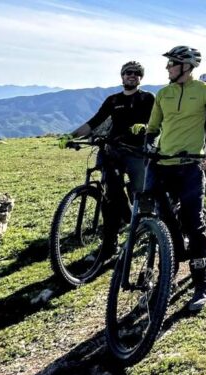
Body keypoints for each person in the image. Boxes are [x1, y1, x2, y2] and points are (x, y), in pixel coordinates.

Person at [131, 46, 206, 311]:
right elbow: (153, 128)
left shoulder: (204, 91)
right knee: (161, 221)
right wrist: (148, 144)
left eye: (172, 64)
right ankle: (167, 271)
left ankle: (201, 283)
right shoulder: (163, 94)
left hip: (189, 166)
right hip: (162, 165)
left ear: (186, 66)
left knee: (193, 224)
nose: (167, 68)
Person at [59, 61, 155, 264]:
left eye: (136, 73)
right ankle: (110, 243)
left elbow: (156, 122)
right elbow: (94, 122)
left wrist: (144, 127)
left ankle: (148, 230)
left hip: (136, 151)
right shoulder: (113, 100)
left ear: (141, 78)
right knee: (109, 197)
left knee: (141, 192)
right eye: (128, 72)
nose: (132, 75)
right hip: (113, 150)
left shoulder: (147, 98)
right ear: (122, 76)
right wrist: (71, 136)